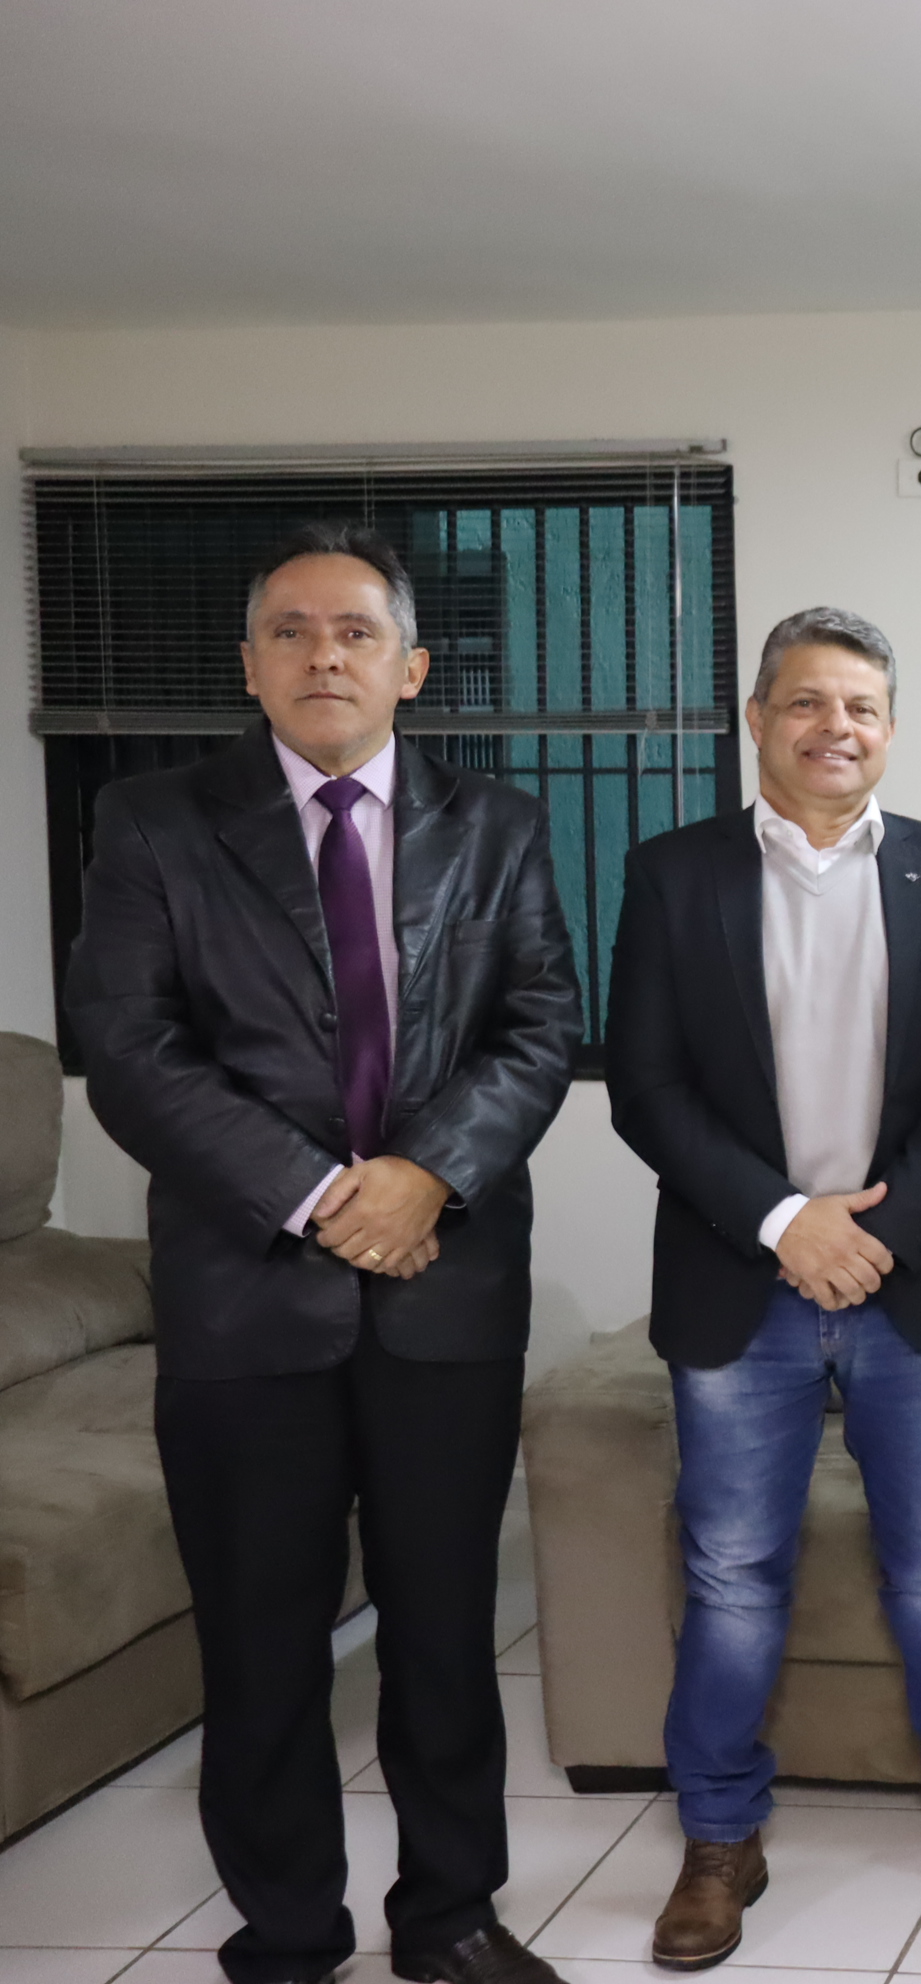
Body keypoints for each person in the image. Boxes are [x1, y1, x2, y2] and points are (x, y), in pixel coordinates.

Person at [64, 524, 580, 1984]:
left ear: (411, 667)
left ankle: (451, 1916)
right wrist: (313, 1195)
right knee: (262, 1639)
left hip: (445, 1292)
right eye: (289, 631)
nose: (323, 655)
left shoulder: (499, 824)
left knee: (444, 1629)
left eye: (356, 631)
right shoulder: (154, 822)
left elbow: (540, 1023)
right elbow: (129, 1046)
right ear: (249, 666)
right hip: (245, 1299)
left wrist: (428, 1177)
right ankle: (288, 1929)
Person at [602, 607, 921, 1969]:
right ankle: (719, 1838)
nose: (833, 728)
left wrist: (879, 1234)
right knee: (734, 1572)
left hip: (906, 1282)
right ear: (758, 720)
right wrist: (785, 1222)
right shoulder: (673, 875)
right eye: (805, 702)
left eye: (859, 706)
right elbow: (646, 1085)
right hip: (742, 1282)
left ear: (890, 729)